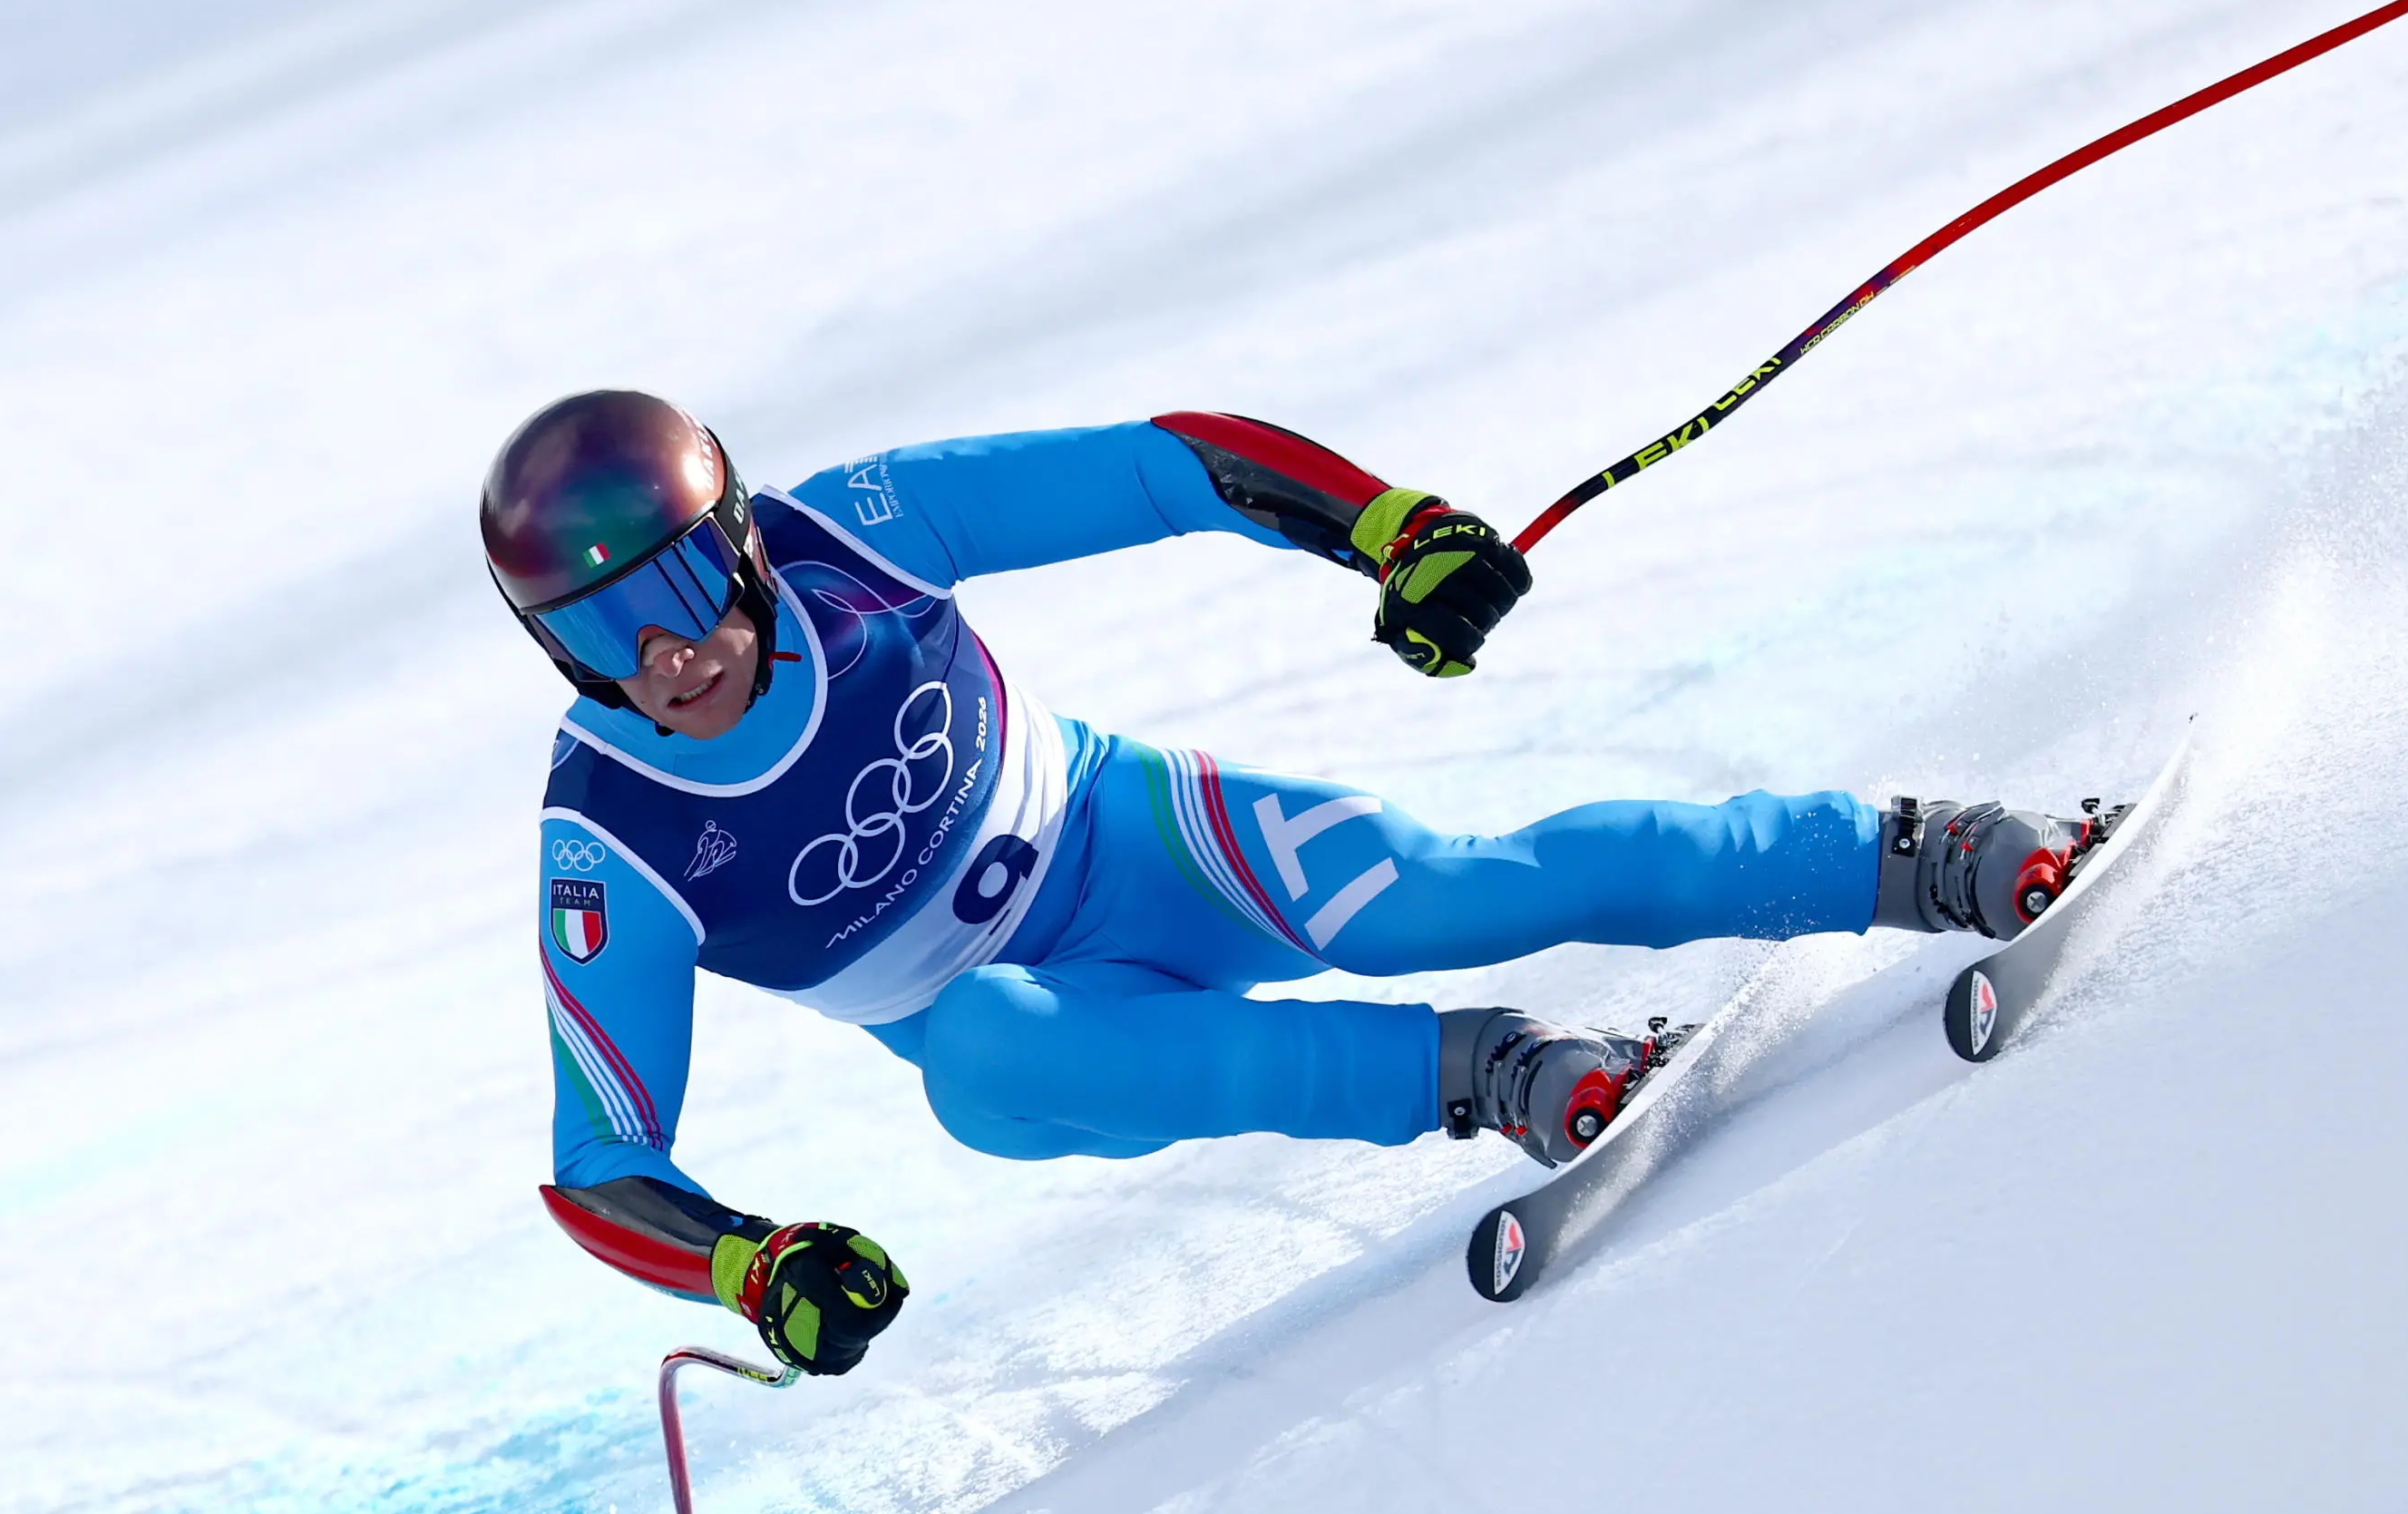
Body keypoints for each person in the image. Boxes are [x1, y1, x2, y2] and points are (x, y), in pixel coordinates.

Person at [487, 392, 2094, 1375]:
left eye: (688, 584)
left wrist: (1391, 531)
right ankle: (1493, 1073)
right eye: (599, 636)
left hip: (1143, 840)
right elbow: (597, 1159)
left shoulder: (866, 534)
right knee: (979, 1054)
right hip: (1051, 1030)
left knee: (1451, 893)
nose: (670, 654)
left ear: (748, 537)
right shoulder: (608, 837)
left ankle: (1912, 854)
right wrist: (755, 1266)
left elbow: (1162, 465)